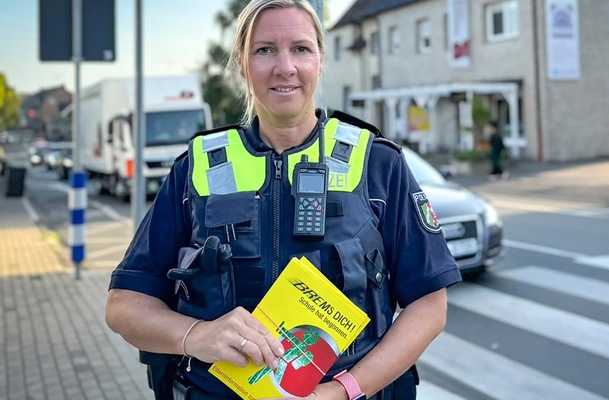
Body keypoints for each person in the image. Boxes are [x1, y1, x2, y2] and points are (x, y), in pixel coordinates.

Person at [104, 1, 462, 400]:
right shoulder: (197, 168)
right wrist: (195, 335)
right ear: (242, 63)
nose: (285, 67)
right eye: (265, 50)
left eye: (301, 49)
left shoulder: (377, 162)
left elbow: (429, 305)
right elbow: (124, 305)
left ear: (320, 61)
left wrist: (343, 391)